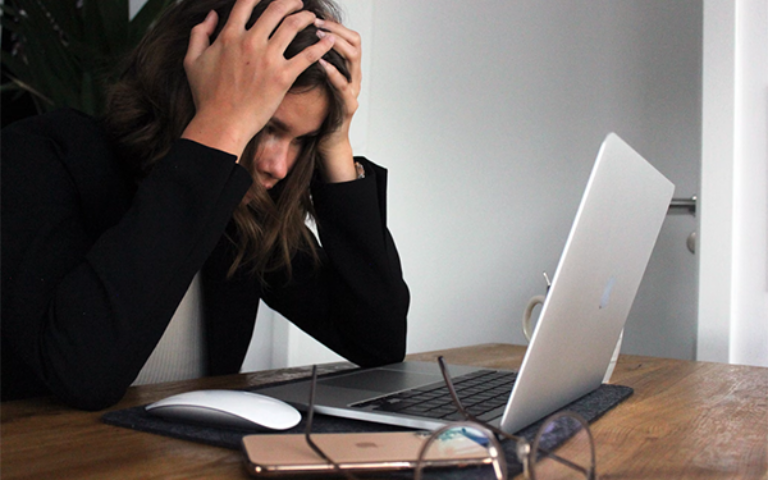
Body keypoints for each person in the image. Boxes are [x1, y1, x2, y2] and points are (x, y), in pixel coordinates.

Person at [0, 0, 409, 410]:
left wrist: (336, 142)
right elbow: (83, 375)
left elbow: (377, 342)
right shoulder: (39, 157)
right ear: (191, 85)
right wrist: (221, 127)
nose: (278, 166)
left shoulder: (241, 209)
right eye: (265, 125)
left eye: (303, 139)